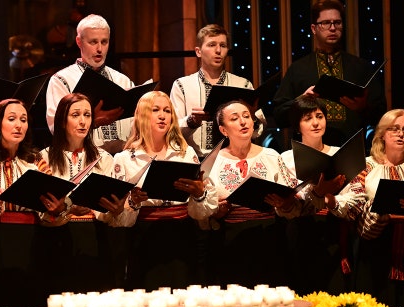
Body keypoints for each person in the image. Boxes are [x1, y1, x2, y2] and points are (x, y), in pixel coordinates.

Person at [0, 98, 71, 307]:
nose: (18, 125)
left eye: (23, 120)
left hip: (32, 246)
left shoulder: (35, 160)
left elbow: (53, 200)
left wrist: (57, 207)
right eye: (11, 119)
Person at [187, 99, 303, 288]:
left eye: (247, 116)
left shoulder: (271, 155)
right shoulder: (213, 161)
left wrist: (284, 203)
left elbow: (291, 199)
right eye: (235, 118)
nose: (243, 122)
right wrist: (215, 212)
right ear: (223, 130)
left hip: (270, 238)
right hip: (230, 242)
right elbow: (199, 212)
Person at [110, 91, 206, 290]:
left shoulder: (185, 152)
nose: (163, 116)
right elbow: (119, 218)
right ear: (142, 115)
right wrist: (133, 201)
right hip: (144, 237)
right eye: (155, 110)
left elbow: (202, 208)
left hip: (182, 234)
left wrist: (198, 193)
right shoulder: (125, 158)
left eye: (167, 111)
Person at [316, 109, 404, 307]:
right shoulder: (367, 167)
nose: (401, 134)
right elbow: (352, 202)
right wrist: (329, 199)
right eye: (395, 129)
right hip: (376, 248)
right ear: (382, 134)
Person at [38, 92, 122, 295]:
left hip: (96, 239)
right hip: (56, 241)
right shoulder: (44, 157)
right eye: (75, 115)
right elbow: (40, 210)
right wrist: (63, 209)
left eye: (87, 115)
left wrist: (116, 209)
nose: (83, 121)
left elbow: (111, 208)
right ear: (61, 120)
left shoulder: (104, 158)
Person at [273, 0, 386, 148]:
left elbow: (382, 113)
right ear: (314, 28)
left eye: (337, 23)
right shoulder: (298, 69)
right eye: (325, 23)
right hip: (310, 150)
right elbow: (279, 115)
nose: (332, 28)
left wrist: (363, 108)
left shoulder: (361, 67)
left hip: (352, 148)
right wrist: (300, 101)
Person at [279, 94, 354, 296]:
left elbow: (352, 195)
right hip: (300, 230)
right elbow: (289, 197)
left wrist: (329, 198)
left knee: (335, 295)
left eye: (319, 116)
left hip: (333, 228)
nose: (315, 123)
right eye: (307, 118)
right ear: (297, 126)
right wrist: (317, 192)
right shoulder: (286, 158)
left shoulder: (339, 153)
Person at [170, 24, 266, 158]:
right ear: (198, 51)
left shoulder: (243, 84)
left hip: (234, 158)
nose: (218, 50)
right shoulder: (182, 85)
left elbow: (258, 132)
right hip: (194, 159)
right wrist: (191, 121)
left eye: (223, 45)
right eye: (211, 45)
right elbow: (171, 130)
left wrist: (252, 116)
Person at [45, 14, 134, 155]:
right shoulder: (62, 80)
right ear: (79, 42)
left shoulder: (122, 80)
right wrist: (92, 121)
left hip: (121, 159)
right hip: (82, 157)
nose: (99, 49)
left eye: (104, 42)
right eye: (93, 42)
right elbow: (55, 127)